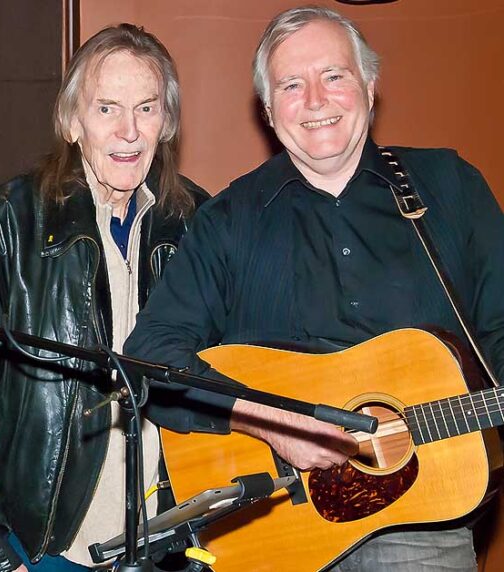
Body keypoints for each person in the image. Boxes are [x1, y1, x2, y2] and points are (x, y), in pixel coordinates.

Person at [125, 6, 504, 570]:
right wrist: (269, 420)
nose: (316, 100)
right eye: (291, 85)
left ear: (369, 87)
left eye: (334, 76)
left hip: (421, 527)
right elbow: (150, 356)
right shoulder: (228, 220)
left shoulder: (449, 187)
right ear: (270, 109)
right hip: (271, 525)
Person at [0, 24, 218, 571]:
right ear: (71, 121)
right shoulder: (3, 224)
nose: (129, 131)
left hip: (174, 542)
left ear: (167, 121)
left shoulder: (201, 223)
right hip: (46, 549)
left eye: (147, 108)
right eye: (107, 108)